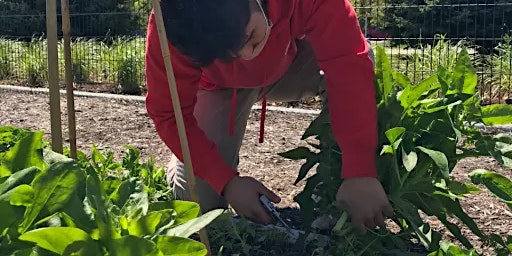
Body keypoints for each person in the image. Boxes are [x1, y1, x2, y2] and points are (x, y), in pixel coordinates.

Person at [144, 0, 394, 234]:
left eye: (249, 36)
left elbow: (348, 63)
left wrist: (360, 169)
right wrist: (226, 181)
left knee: (363, 57)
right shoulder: (174, 21)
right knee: (201, 208)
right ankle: (180, 164)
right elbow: (168, 113)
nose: (246, 56)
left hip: (288, 65)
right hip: (219, 88)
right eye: (225, 53)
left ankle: (332, 188)